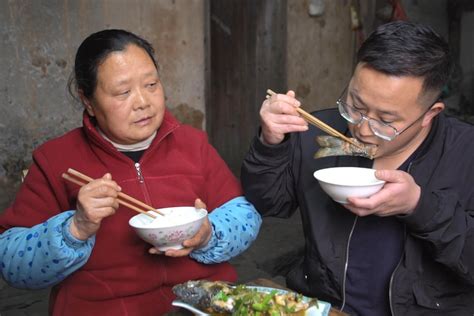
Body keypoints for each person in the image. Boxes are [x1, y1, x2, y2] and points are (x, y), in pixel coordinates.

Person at [0, 29, 261, 315]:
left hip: (202, 304)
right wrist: (75, 228)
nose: (143, 102)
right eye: (123, 92)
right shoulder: (57, 160)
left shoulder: (192, 143)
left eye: (151, 84)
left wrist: (208, 235)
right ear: (88, 100)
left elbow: (245, 215)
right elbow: (10, 262)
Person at [241, 20, 474, 315]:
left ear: (431, 114)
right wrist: (270, 143)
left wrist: (419, 206)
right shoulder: (318, 131)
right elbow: (267, 201)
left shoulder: (465, 153)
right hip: (323, 308)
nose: (362, 130)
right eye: (355, 105)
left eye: (386, 121)